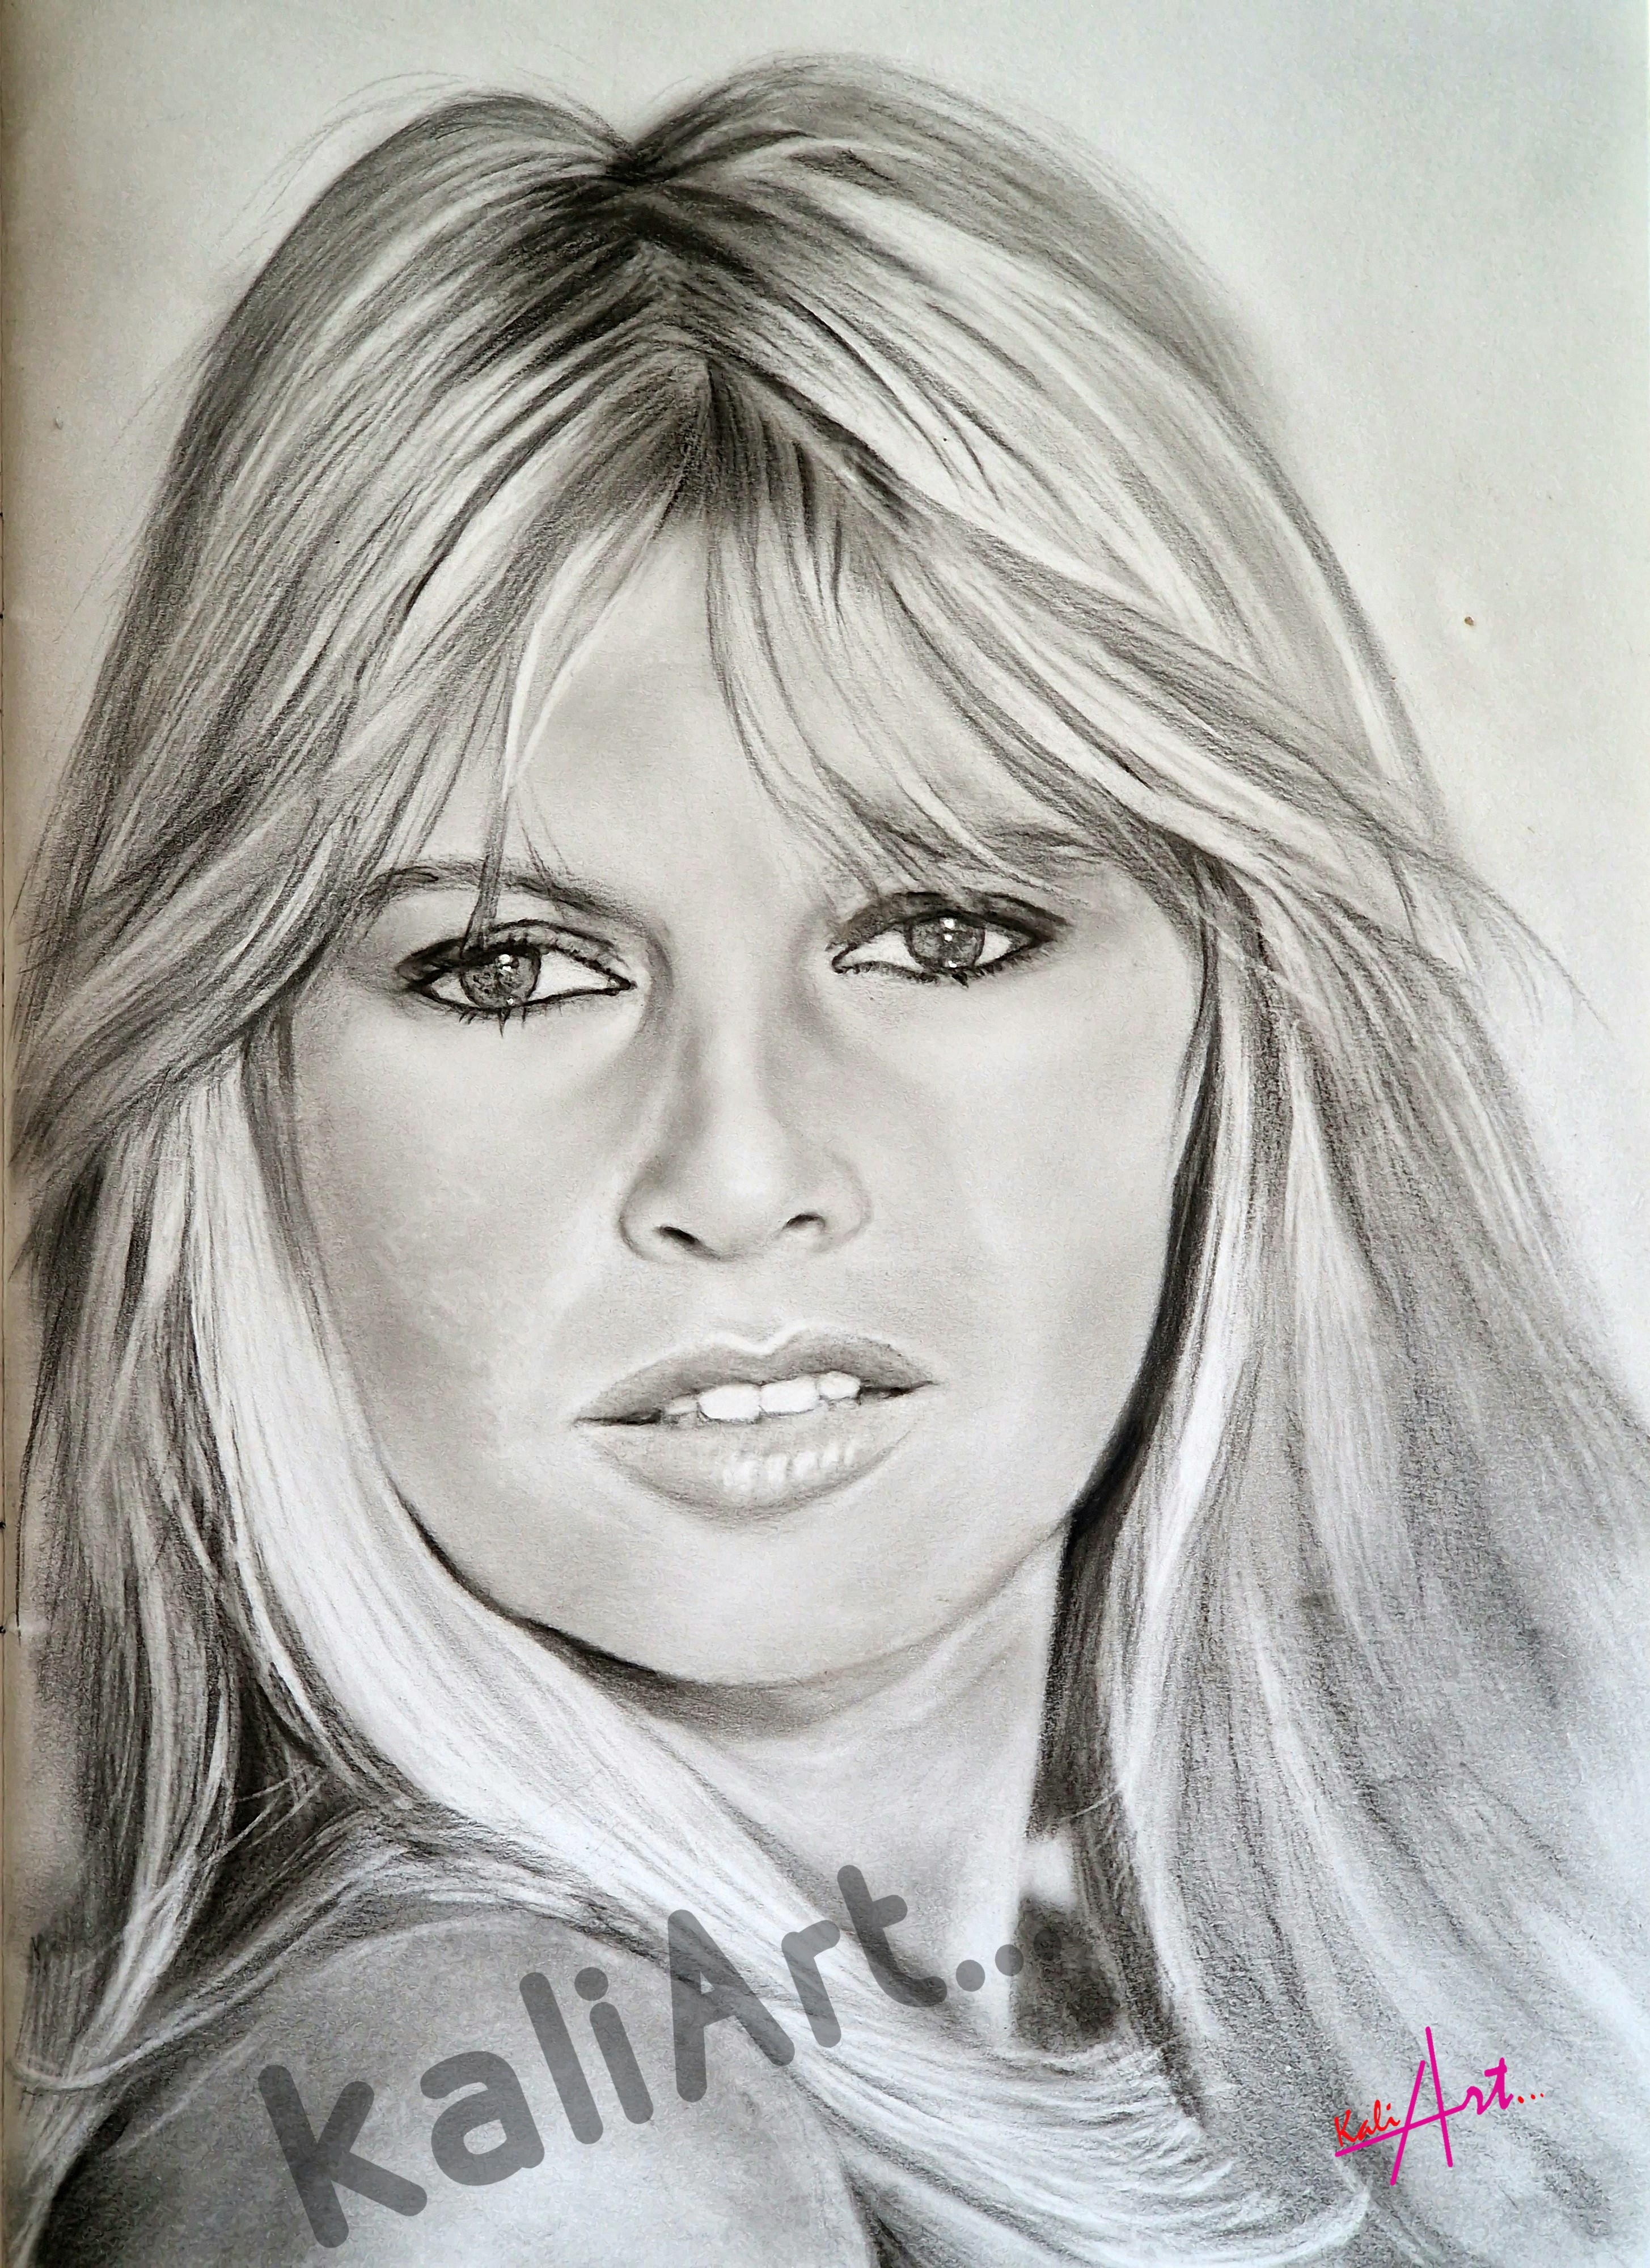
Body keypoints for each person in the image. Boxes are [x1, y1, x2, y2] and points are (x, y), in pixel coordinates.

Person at [12, 56, 1649, 2268]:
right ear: (244, 1085)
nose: (740, 1162)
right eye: (508, 967)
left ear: (1235, 1021)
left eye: (940, 933)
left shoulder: (1421, 1944)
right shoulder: (501, 2156)